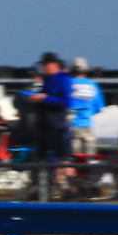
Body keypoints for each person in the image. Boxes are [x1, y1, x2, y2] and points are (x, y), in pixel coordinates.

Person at [28, 52, 73, 193]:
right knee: (40, 156)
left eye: (46, 64)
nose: (44, 67)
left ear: (55, 64)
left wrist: (45, 98)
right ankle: (42, 187)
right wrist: (35, 99)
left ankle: (67, 186)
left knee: (62, 157)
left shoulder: (64, 79)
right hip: (43, 124)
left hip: (57, 126)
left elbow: (66, 101)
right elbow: (43, 96)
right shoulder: (46, 80)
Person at [68, 57, 105, 157]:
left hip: (71, 126)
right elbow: (99, 107)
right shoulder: (93, 86)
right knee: (90, 158)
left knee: (74, 158)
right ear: (86, 70)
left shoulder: (67, 84)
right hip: (88, 125)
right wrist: (87, 113)